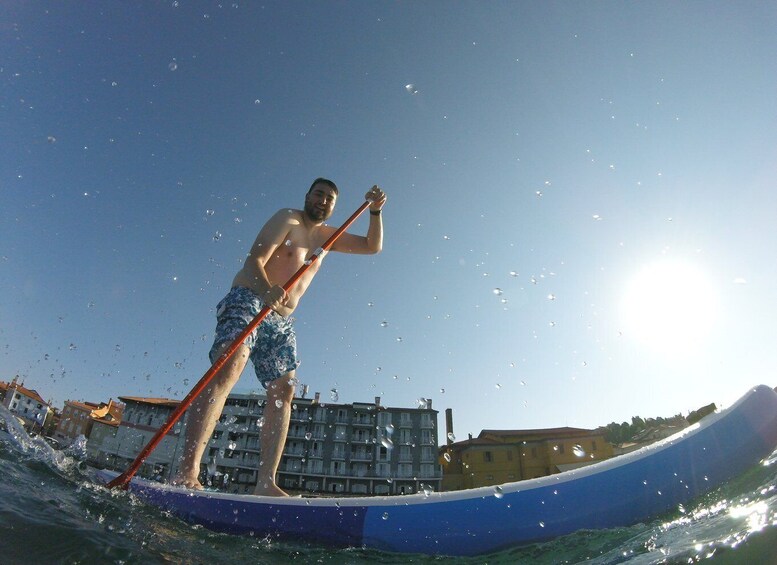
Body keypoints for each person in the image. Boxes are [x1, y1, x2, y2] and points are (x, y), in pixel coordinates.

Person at [172, 179, 386, 496]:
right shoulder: (288, 218)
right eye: (318, 194)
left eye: (330, 198)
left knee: (283, 390)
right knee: (230, 365)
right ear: (307, 197)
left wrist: (376, 211)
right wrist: (265, 288)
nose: (323, 200)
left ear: (333, 206)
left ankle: (265, 482)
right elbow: (254, 260)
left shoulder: (329, 237)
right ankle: (187, 471)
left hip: (281, 319)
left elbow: (372, 246)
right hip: (249, 297)